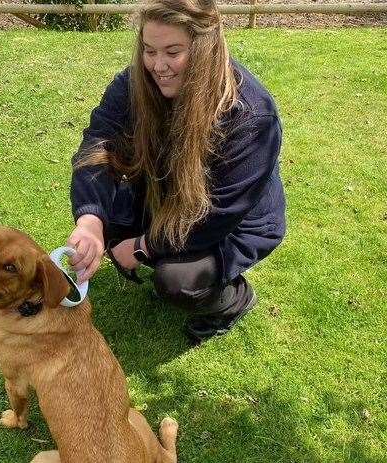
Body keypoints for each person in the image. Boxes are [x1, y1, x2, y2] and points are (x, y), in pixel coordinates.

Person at [67, 0, 285, 344]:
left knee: (178, 281)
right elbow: (99, 145)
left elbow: (217, 216)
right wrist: (90, 221)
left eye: (173, 51)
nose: (158, 66)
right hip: (166, 193)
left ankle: (232, 300)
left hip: (234, 223)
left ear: (204, 47)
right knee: (107, 220)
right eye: (149, 51)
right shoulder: (133, 84)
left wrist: (142, 247)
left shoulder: (252, 115)